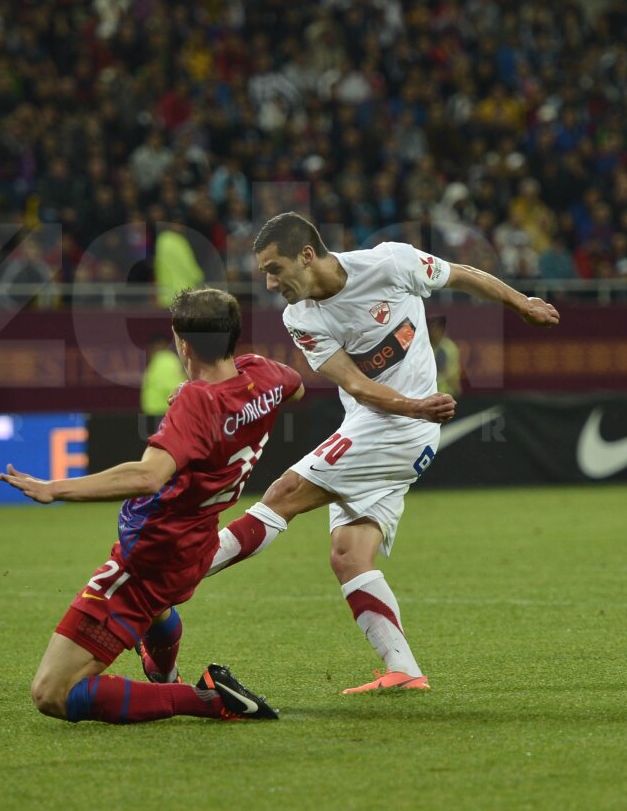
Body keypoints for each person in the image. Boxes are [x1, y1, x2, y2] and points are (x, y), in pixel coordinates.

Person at [208, 212, 559, 694]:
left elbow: (461, 274)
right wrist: (416, 405)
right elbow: (355, 384)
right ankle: (404, 670)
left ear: (306, 256)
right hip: (385, 421)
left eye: (275, 269)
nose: (270, 283)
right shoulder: (301, 317)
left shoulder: (391, 263)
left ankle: (169, 579)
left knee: (282, 494)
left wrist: (521, 303)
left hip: (399, 430)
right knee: (349, 554)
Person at [0, 287, 305, 724]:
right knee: (157, 610)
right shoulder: (264, 375)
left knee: (51, 693)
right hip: (193, 547)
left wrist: (54, 489)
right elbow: (296, 388)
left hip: (150, 556)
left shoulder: (198, 402)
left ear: (183, 343)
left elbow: (147, 476)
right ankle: (163, 671)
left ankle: (206, 698)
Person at [140, 333, 187, 418]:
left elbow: (172, 388)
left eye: (151, 347)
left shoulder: (164, 360)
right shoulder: (161, 360)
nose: (149, 350)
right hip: (158, 413)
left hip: (162, 413)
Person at [427, 315, 463, 398]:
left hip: (446, 393)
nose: (432, 331)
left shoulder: (446, 348)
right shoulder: (429, 346)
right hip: (432, 394)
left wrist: (456, 390)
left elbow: (448, 372)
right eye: (431, 328)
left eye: (435, 328)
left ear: (442, 329)